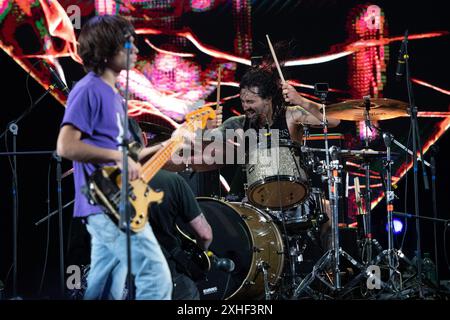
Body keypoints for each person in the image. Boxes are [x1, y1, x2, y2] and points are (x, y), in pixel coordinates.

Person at [57, 15, 174, 300]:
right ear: (107, 48)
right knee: (156, 278)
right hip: (107, 205)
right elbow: (66, 146)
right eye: (128, 44)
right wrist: (118, 157)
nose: (135, 50)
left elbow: (127, 156)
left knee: (103, 288)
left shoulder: (113, 95)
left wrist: (172, 142)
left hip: (115, 203)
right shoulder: (88, 89)